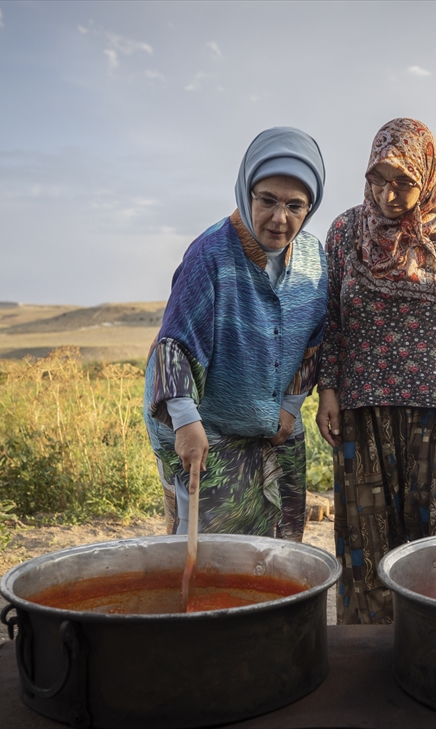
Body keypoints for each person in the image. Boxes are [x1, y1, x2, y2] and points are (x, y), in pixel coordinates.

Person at [316, 118, 436, 624]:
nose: (389, 193)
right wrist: (329, 390)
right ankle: (369, 662)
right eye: (379, 178)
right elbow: (331, 320)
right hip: (365, 411)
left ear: (427, 175)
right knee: (366, 548)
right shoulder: (344, 231)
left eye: (403, 180)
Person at [144, 127, 327, 541]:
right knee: (208, 547)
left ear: (310, 208)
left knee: (279, 547)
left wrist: (291, 406)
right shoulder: (210, 254)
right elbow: (174, 346)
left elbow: (314, 340)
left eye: (295, 206)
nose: (280, 219)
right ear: (247, 193)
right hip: (204, 423)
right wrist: (186, 424)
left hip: (275, 421)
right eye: (267, 201)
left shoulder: (315, 258)